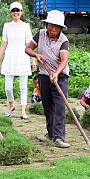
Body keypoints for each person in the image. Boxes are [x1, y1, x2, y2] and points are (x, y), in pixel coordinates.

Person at [26, 9, 71, 149]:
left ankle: (59, 137)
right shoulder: (40, 34)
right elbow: (27, 49)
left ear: (61, 28)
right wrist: (36, 55)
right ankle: (51, 133)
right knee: (47, 105)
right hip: (44, 74)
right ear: (46, 25)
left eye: (57, 27)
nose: (53, 29)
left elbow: (64, 61)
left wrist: (56, 73)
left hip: (60, 76)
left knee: (59, 106)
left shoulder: (64, 41)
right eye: (51, 26)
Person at [0, 1, 33, 119]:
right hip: (10, 57)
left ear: (21, 12)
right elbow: (3, 44)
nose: (15, 13)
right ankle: (11, 105)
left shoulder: (25, 26)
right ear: (11, 12)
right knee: (8, 87)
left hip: (22, 56)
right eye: (13, 11)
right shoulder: (7, 26)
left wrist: (34, 60)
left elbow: (29, 44)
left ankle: (23, 111)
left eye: (18, 10)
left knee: (23, 86)